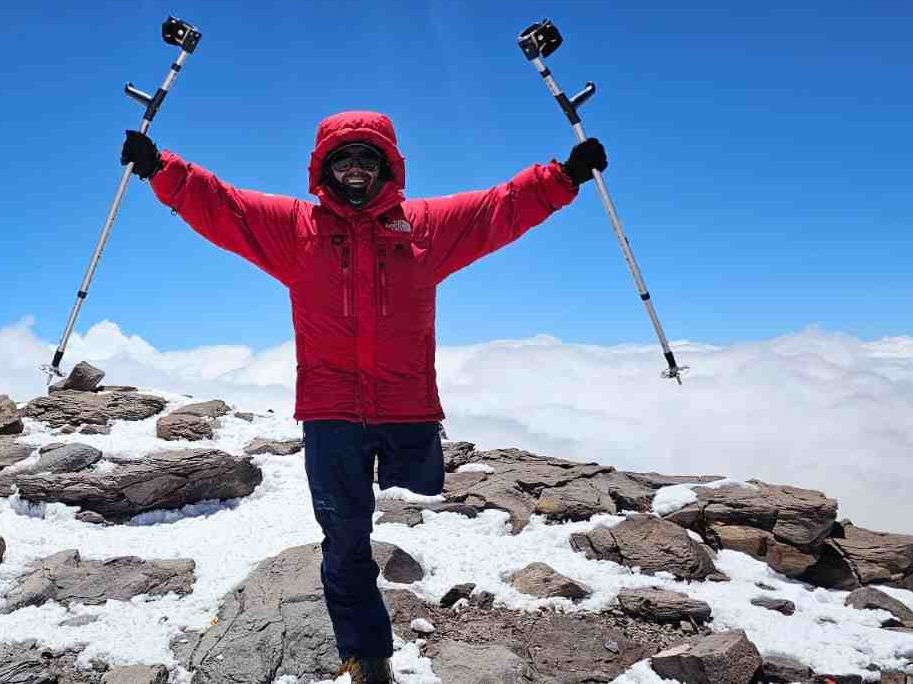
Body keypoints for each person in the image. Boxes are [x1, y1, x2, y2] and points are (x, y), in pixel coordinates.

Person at [121, 111, 606, 683]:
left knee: (422, 505)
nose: (355, 169)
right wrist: (161, 169)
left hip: (407, 410)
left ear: (387, 167)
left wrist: (563, 177)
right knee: (345, 536)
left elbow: (496, 209)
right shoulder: (296, 229)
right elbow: (223, 207)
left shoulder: (422, 225)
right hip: (331, 415)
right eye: (343, 159)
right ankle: (367, 656)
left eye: (367, 158)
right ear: (325, 169)